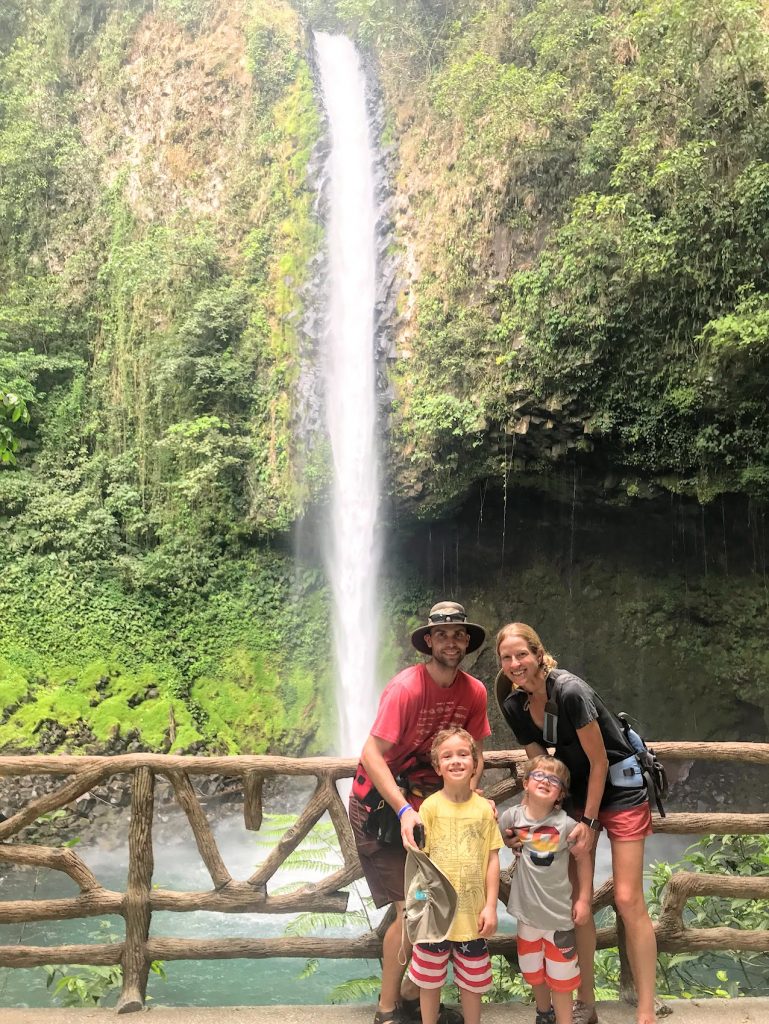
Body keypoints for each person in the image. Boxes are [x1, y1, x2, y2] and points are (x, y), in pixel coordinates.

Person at [494, 623, 658, 1024]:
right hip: (577, 791)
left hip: (617, 787)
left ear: (538, 653)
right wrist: (525, 827)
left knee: (626, 898)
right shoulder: (515, 705)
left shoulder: (570, 691)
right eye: (507, 658)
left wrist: (586, 820)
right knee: (574, 902)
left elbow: (601, 760)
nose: (515, 664)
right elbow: (542, 771)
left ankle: (645, 1009)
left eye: (522, 655)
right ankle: (586, 1002)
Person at [350, 601, 491, 1024]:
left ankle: (412, 999)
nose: (452, 641)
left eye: (459, 634)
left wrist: (472, 798)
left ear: (467, 642)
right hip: (381, 807)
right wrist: (402, 810)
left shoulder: (475, 691)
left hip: (432, 809)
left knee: (429, 906)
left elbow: (477, 752)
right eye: (442, 634)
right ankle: (388, 1010)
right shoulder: (406, 687)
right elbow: (371, 754)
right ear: (428, 641)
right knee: (408, 910)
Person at [407, 727, 501, 1024]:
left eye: (463, 754)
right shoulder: (430, 808)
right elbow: (420, 864)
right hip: (436, 916)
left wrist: (491, 906)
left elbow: (492, 858)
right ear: (437, 766)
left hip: (473, 916)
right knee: (430, 980)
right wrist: (419, 905)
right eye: (447, 756)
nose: (456, 761)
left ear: (475, 762)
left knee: (472, 983)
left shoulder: (484, 810)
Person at [498, 755, 593, 1024]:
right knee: (533, 973)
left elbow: (583, 859)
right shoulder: (511, 817)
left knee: (562, 982)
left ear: (560, 794)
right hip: (526, 916)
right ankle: (543, 1014)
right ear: (526, 783)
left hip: (558, 918)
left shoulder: (567, 826)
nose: (545, 782)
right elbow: (505, 838)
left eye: (554, 780)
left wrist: (584, 899)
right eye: (539, 776)